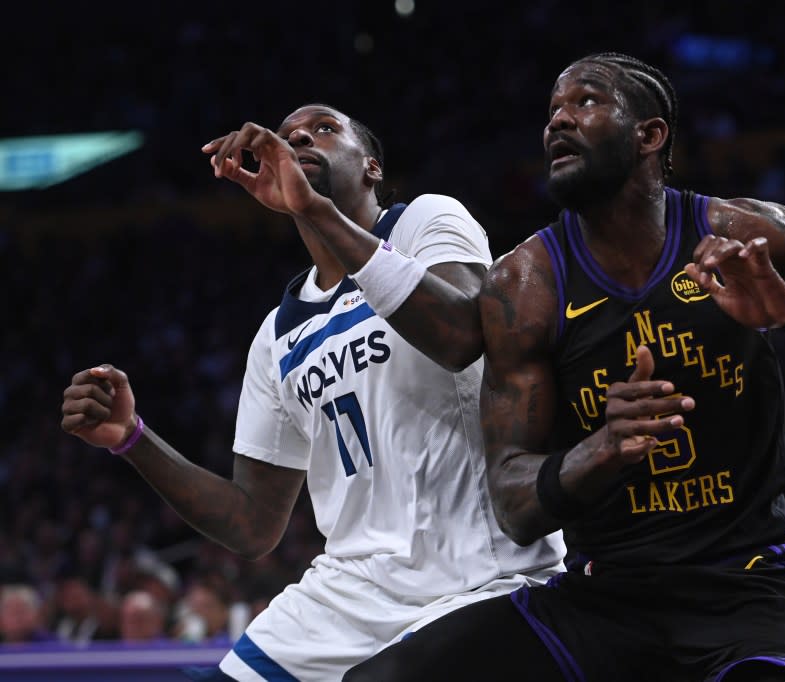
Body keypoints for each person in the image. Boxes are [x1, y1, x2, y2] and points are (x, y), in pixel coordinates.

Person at [344, 52, 785, 681]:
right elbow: (514, 504)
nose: (558, 120)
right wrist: (602, 449)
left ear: (650, 134)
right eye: (553, 110)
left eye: (586, 101)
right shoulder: (525, 285)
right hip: (603, 599)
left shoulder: (739, 232)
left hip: (747, 591)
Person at [60, 103, 564, 679]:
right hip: (351, 592)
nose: (299, 138)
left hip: (480, 574)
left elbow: (462, 335)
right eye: (288, 136)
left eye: (324, 129)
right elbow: (252, 523)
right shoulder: (276, 336)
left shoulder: (425, 221)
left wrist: (313, 209)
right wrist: (131, 438)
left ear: (372, 167)